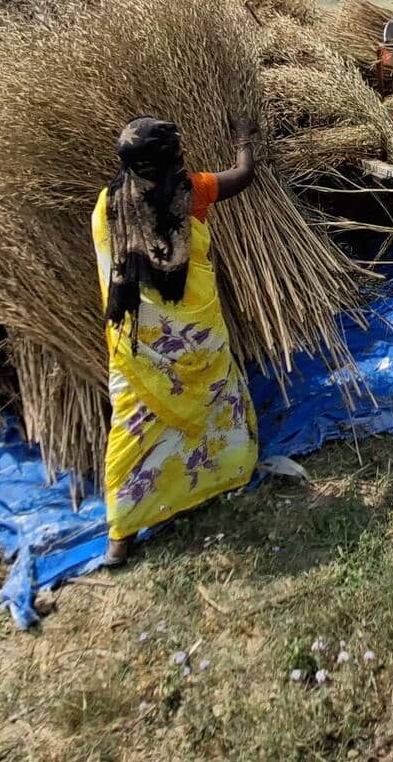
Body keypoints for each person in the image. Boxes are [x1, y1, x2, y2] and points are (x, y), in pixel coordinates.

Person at [92, 115, 260, 565]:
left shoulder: (107, 205)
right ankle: (223, 474)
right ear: (172, 159)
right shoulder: (192, 192)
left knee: (133, 425)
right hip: (197, 338)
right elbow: (243, 174)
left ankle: (121, 532)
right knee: (214, 400)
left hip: (137, 345)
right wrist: (243, 137)